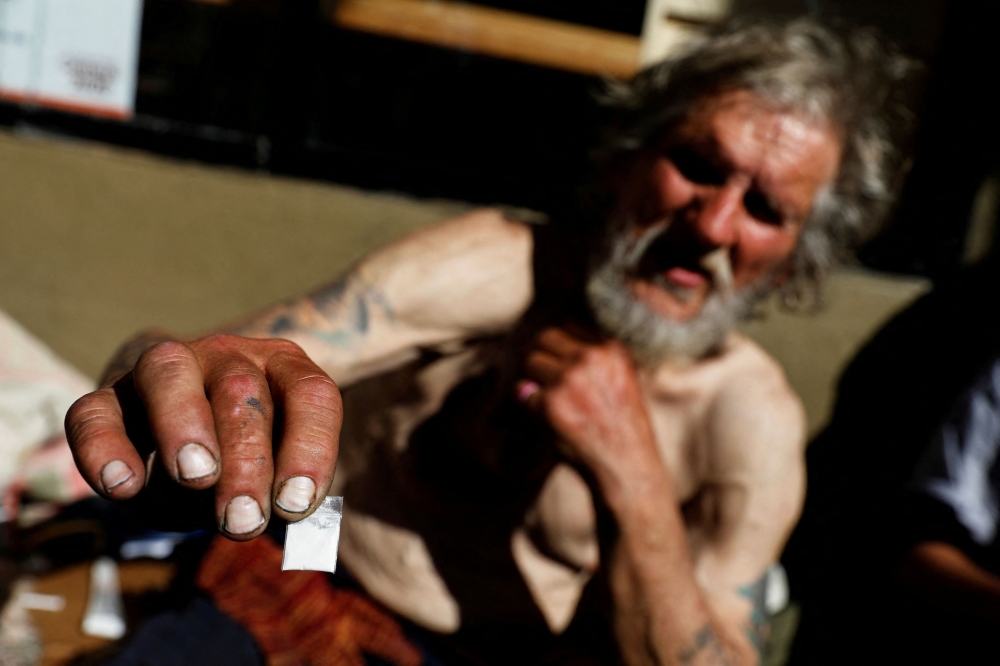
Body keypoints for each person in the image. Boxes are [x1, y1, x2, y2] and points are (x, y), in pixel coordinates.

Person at [64, 18, 914, 666]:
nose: (713, 224)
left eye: (767, 210)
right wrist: (165, 377)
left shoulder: (750, 420)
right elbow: (209, 371)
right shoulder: (496, 268)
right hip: (306, 587)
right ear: (626, 159)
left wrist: (630, 467)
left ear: (797, 260)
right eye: (695, 164)